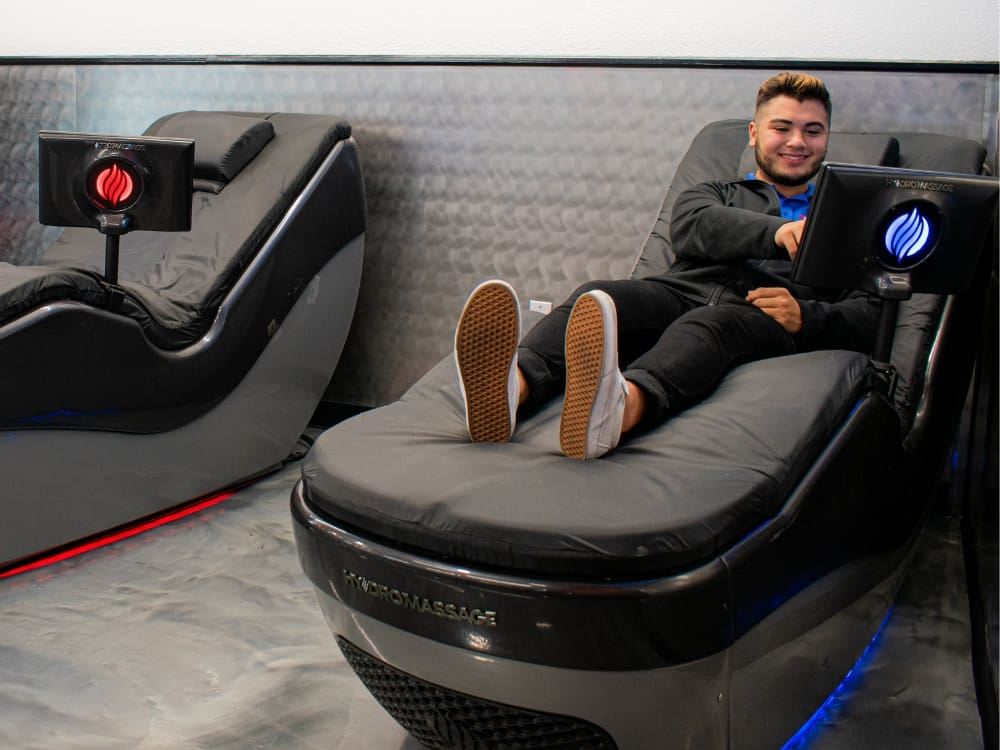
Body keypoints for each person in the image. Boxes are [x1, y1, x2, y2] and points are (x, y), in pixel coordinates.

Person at [454, 71, 881, 460]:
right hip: (681, 290)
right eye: (781, 128)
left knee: (710, 327)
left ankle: (619, 411)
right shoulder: (713, 192)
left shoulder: (848, 220)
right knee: (600, 294)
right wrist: (775, 232)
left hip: (761, 313)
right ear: (754, 134)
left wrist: (805, 316)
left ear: (827, 139)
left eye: (812, 131)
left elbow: (868, 314)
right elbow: (695, 226)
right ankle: (510, 390)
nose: (796, 142)